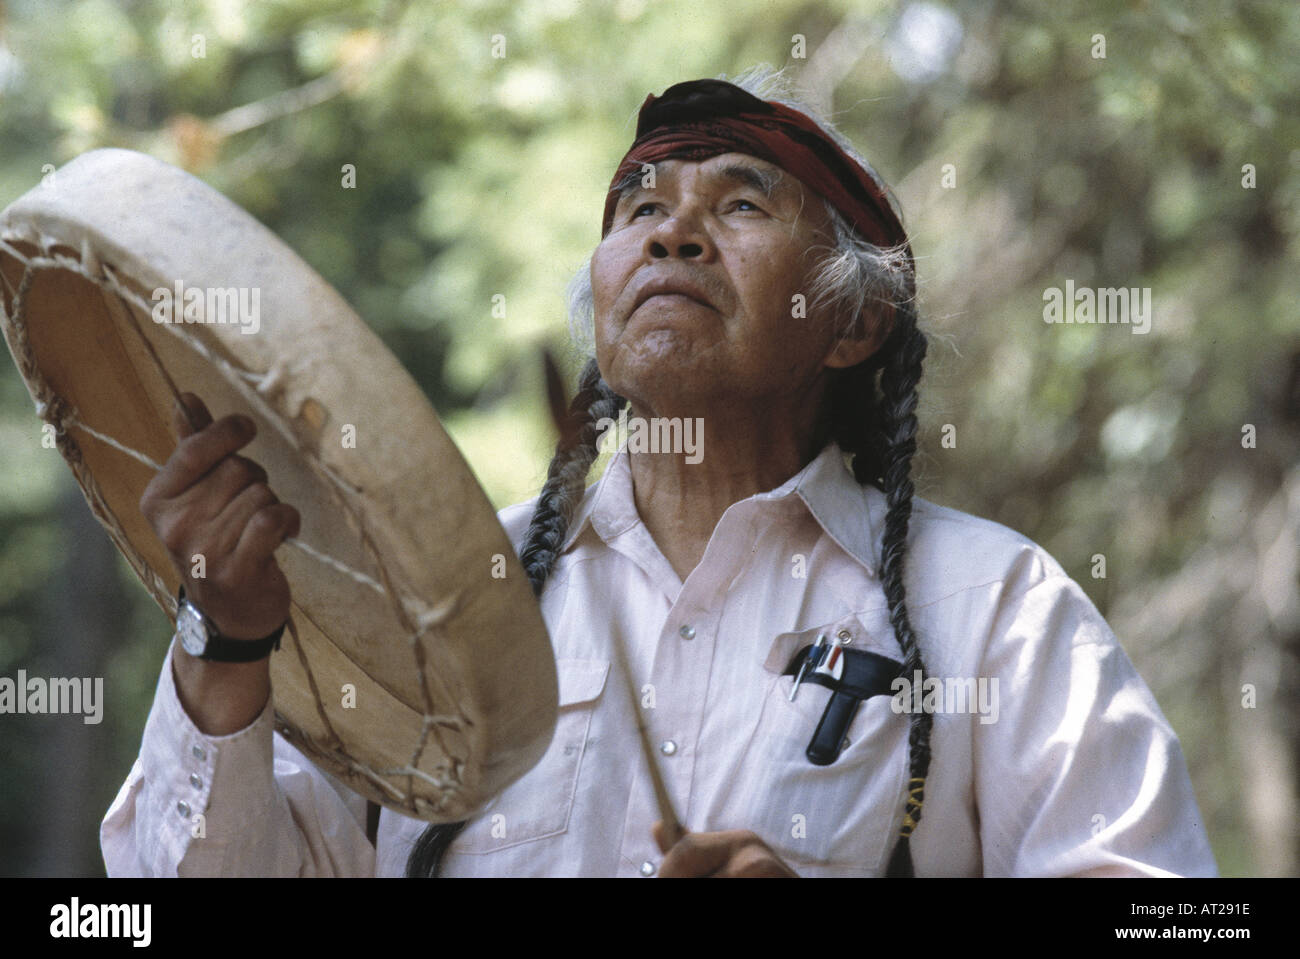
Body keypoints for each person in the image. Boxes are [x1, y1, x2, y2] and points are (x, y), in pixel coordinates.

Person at [101, 68, 1217, 877]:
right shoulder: (434, 599)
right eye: (642, 209)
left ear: (857, 320)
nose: (670, 235)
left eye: (738, 204)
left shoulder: (995, 608)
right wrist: (227, 642)